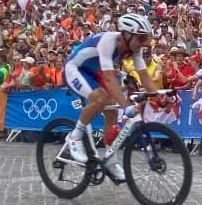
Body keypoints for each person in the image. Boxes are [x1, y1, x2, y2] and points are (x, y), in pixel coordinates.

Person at [60, 13, 159, 182]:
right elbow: (108, 79)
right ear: (127, 35)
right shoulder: (108, 41)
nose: (145, 43)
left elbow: (145, 76)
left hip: (93, 72)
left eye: (146, 39)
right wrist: (126, 105)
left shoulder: (134, 48)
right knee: (101, 98)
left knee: (112, 111)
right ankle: (74, 137)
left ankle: (110, 160)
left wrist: (159, 98)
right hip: (75, 69)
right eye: (142, 38)